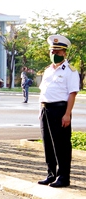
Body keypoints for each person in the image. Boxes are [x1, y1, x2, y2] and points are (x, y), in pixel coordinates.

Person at [37, 34, 79, 188]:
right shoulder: (48, 70)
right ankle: (51, 174)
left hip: (60, 110)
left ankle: (63, 177)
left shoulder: (70, 71)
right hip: (45, 109)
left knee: (61, 145)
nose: (54, 54)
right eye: (52, 51)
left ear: (64, 53)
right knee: (48, 144)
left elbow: (72, 94)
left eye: (58, 51)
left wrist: (67, 114)